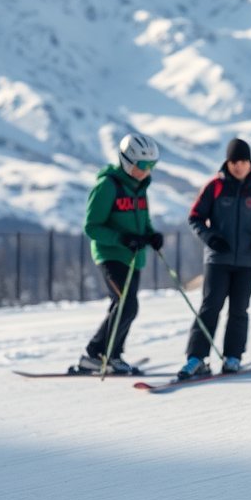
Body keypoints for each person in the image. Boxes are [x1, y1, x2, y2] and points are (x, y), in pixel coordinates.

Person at [179, 138, 251, 380]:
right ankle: (196, 358)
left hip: (249, 260)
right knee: (210, 307)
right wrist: (210, 238)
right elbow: (195, 217)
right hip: (218, 259)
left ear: (250, 162)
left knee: (239, 309)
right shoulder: (215, 187)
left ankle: (233, 357)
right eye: (234, 161)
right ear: (227, 162)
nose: (238, 166)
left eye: (243, 161)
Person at [77, 133, 164, 374]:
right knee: (127, 305)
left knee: (123, 305)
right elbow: (91, 226)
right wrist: (121, 238)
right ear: (127, 161)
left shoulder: (140, 187)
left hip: (133, 257)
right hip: (111, 255)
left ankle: (111, 354)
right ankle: (95, 354)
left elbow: (143, 220)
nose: (147, 171)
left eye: (152, 165)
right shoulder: (107, 186)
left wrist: (151, 235)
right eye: (142, 165)